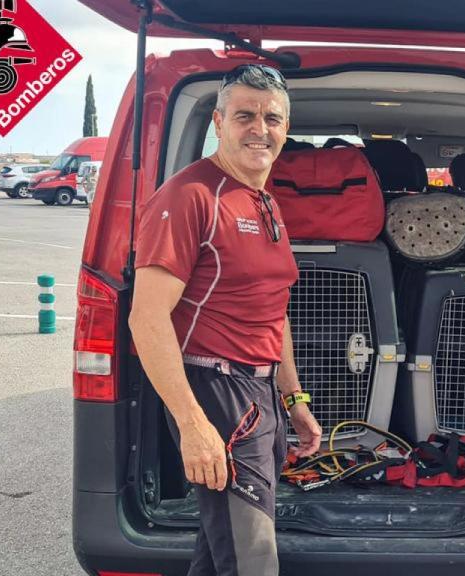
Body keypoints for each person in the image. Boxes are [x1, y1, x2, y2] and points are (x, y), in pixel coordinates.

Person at [129, 64, 322, 576]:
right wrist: (193, 425)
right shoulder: (190, 196)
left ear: (286, 126)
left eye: (273, 118)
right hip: (216, 391)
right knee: (251, 559)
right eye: (245, 116)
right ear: (218, 122)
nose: (260, 129)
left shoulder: (263, 199)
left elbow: (271, 309)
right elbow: (146, 318)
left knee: (221, 553)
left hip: (258, 397)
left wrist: (293, 399)